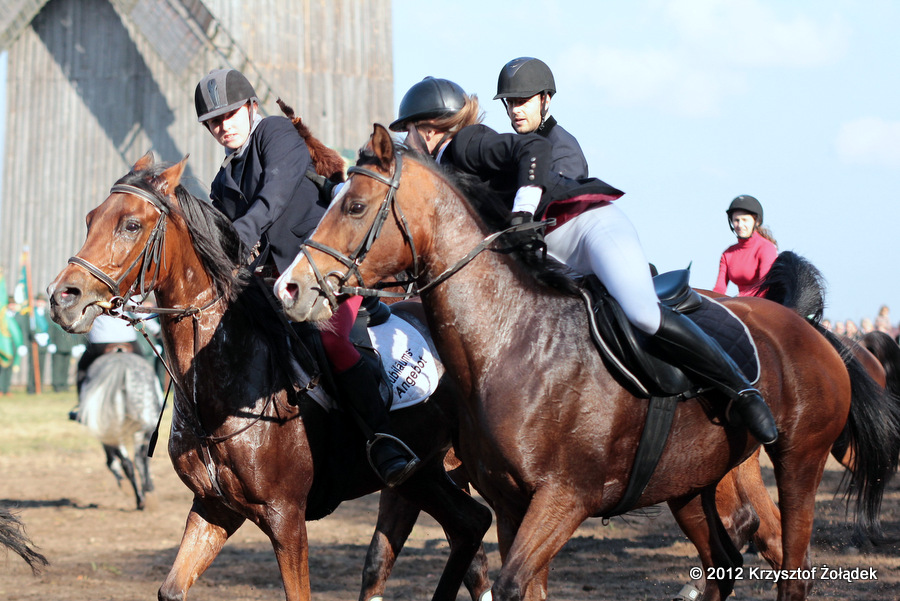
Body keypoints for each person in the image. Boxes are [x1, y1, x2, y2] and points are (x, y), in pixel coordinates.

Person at [389, 77, 778, 445]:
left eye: (408, 130)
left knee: (643, 315)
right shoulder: (444, 173)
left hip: (587, 228)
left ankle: (741, 391)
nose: (406, 140)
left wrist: (522, 211)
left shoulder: (466, 143)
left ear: (428, 129)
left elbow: (533, 148)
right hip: (550, 254)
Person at [195, 68, 418, 485]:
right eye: (214, 121)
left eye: (229, 115)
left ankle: (384, 439)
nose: (223, 126)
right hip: (275, 288)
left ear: (251, 107)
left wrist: (240, 236)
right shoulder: (221, 183)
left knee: (330, 339)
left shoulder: (276, 133)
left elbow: (273, 197)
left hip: (328, 271)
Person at [494, 57, 589, 179]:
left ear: (545, 101)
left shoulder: (564, 154)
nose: (514, 110)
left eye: (522, 101)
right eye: (510, 102)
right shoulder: (517, 149)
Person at [713, 195, 778, 297]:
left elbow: (764, 287)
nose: (740, 225)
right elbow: (719, 289)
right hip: (740, 303)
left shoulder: (767, 248)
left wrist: (738, 298)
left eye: (745, 220)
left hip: (763, 302)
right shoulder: (727, 254)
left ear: (757, 222)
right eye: (736, 220)